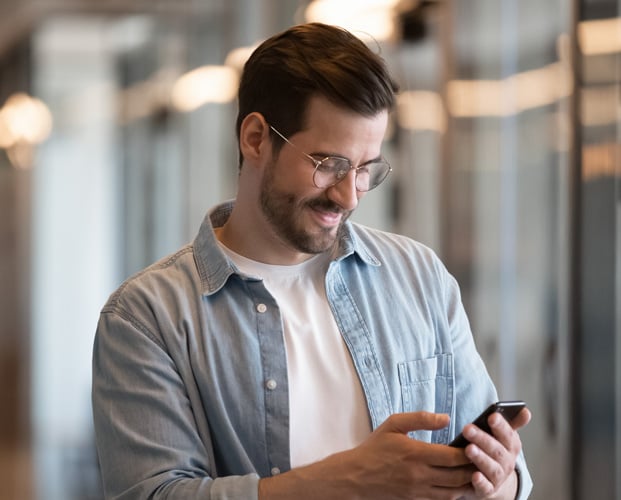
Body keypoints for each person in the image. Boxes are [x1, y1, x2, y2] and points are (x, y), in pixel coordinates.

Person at [92, 22, 533, 500]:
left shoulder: (418, 276)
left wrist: (500, 480)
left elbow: (507, 475)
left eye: (366, 170)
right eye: (329, 164)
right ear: (256, 138)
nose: (349, 196)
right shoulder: (146, 318)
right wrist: (347, 481)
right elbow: (151, 494)